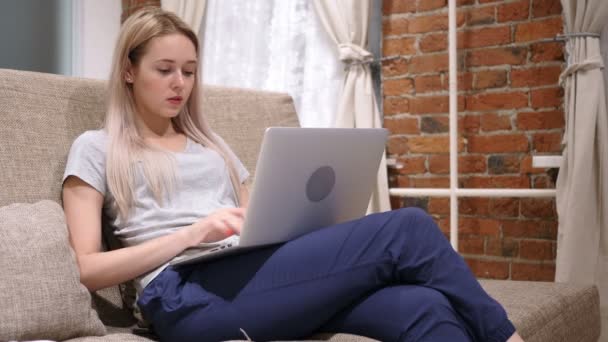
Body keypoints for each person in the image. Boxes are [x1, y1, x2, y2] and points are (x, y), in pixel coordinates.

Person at [62, 7, 524, 342]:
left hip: (253, 278)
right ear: (128, 70)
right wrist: (192, 233)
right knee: (410, 227)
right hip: (183, 295)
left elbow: (257, 220)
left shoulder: (213, 148)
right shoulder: (97, 148)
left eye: (189, 71)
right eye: (164, 70)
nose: (180, 83)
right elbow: (86, 269)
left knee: (426, 308)